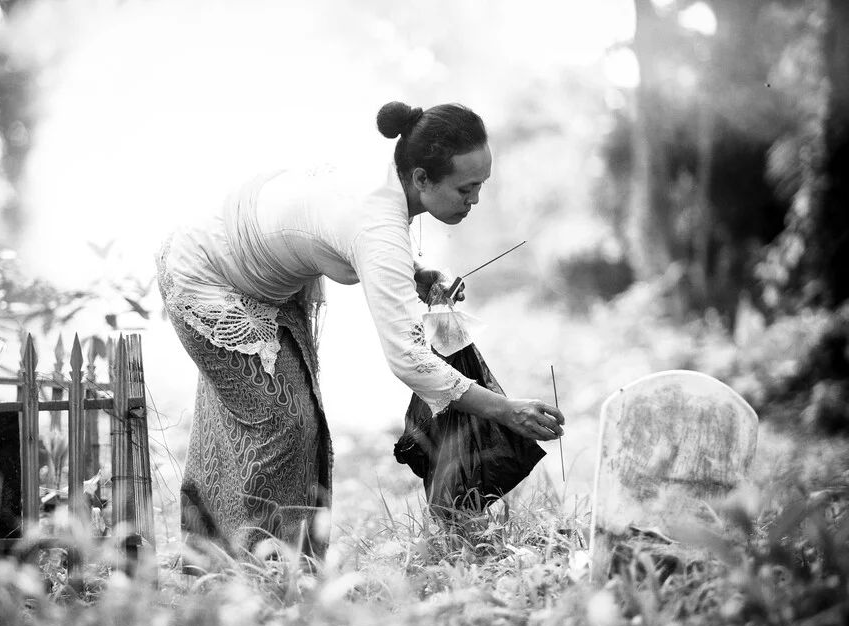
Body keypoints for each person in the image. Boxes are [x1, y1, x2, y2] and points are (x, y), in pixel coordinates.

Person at [156, 101, 565, 559]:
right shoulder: (378, 224)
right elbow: (409, 359)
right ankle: (267, 574)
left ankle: (233, 563)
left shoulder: (389, 178)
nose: (474, 200)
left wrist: (415, 272)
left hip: (244, 269)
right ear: (421, 179)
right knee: (285, 428)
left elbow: (347, 229)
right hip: (206, 278)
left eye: (481, 186)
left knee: (276, 423)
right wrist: (506, 411)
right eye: (466, 188)